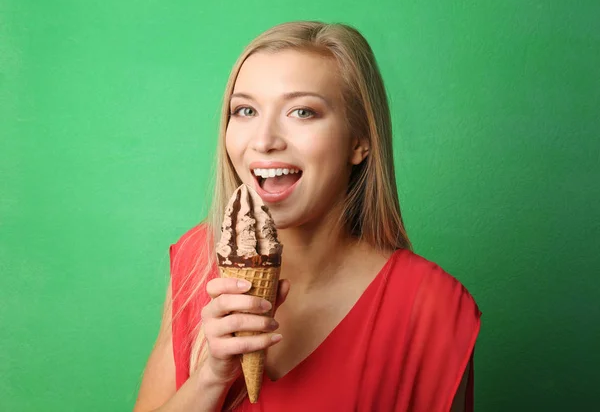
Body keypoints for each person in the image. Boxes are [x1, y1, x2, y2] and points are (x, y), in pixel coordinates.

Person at [134, 21, 481, 412]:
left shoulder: (432, 305)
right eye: (245, 110)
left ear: (359, 141)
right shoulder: (196, 259)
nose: (264, 140)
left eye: (302, 112)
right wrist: (213, 376)